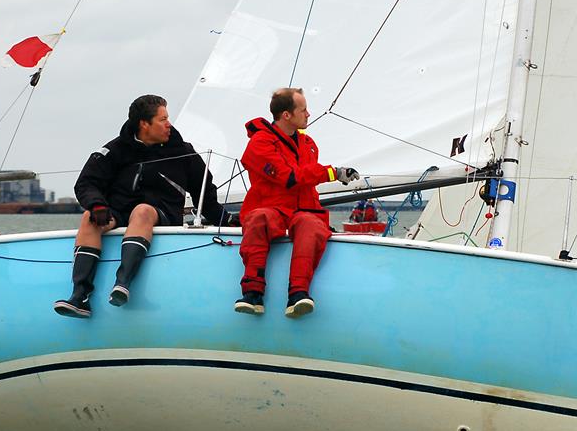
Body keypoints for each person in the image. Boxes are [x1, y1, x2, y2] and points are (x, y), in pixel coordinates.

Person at [54, 94, 237, 318]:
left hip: (163, 213)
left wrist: (226, 220)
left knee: (142, 211)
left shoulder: (183, 152)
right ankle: (80, 296)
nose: (169, 124)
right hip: (120, 212)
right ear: (144, 124)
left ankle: (122, 283)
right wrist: (97, 205)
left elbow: (206, 196)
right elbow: (86, 183)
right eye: (163, 119)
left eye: (167, 118)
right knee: (89, 217)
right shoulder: (116, 149)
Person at [235, 87, 360, 318]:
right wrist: (333, 173)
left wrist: (331, 172)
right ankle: (252, 294)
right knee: (259, 218)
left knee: (310, 224)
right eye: (303, 110)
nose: (308, 114)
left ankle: (298, 294)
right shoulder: (260, 143)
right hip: (271, 208)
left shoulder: (308, 143)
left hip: (302, 210)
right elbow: (289, 177)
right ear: (286, 115)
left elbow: (304, 175)